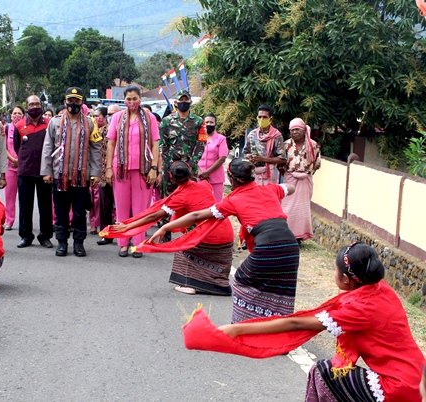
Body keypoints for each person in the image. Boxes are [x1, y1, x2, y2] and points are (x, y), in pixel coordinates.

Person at [182, 243, 425, 402]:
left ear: (347, 279)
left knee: (322, 371)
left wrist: (236, 329)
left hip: (396, 386)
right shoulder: (379, 289)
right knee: (328, 371)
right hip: (414, 375)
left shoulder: (360, 308)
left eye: (335, 270)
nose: (333, 274)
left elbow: (297, 324)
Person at [151, 159, 299, 322]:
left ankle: (244, 328)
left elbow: (196, 215)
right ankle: (276, 327)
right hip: (291, 246)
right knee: (282, 288)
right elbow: (291, 188)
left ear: (232, 178)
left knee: (242, 282)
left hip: (267, 246)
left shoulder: (232, 200)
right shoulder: (270, 189)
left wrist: (165, 227)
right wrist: (281, 191)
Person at [106, 161, 235, 295]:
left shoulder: (181, 196)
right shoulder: (204, 185)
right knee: (197, 245)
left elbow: (154, 216)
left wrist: (127, 226)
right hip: (226, 232)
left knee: (182, 249)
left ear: (171, 177)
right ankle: (220, 283)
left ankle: (191, 285)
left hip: (210, 235)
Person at [42, 87, 102, 257]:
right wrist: (46, 171)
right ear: (65, 101)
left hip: (81, 176)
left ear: (81, 102)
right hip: (59, 175)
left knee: (79, 212)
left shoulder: (90, 123)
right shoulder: (54, 122)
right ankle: (61, 243)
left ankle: (78, 243)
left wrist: (96, 172)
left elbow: (96, 149)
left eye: (77, 100)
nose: (73, 104)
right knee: (60, 211)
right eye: (70, 100)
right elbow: (47, 148)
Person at [105, 85, 160, 258]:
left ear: (140, 99)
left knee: (140, 210)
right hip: (120, 169)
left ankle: (138, 243)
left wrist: (154, 168)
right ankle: (123, 242)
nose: (131, 102)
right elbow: (111, 143)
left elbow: (155, 144)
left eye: (135, 98)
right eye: (128, 99)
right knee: (121, 208)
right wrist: (107, 168)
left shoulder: (149, 118)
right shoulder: (117, 118)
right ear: (124, 100)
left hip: (143, 170)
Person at [13, 96, 54, 248]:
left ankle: (45, 236)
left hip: (44, 172)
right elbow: (17, 147)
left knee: (45, 206)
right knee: (25, 206)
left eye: (37, 103)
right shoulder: (19, 125)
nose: (34, 106)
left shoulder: (49, 124)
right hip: (25, 171)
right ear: (27, 106)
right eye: (31, 104)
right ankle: (26, 236)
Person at [280, 117, 321, 242]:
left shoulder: (313, 145)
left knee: (302, 210)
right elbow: (281, 162)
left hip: (305, 181)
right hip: (289, 178)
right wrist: (289, 173)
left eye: (297, 129)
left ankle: (298, 238)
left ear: (304, 130)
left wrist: (306, 173)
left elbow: (317, 163)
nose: (295, 132)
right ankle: (286, 235)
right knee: (287, 208)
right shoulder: (286, 145)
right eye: (292, 130)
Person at [158, 89, 204, 198]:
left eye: (186, 100)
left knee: (189, 198)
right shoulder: (166, 121)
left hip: (189, 167)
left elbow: (201, 143)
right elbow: (162, 145)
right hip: (170, 167)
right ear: (175, 103)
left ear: (190, 102)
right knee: (169, 198)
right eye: (181, 100)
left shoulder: (199, 122)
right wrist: (166, 165)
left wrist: (192, 162)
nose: (183, 102)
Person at [243, 104, 285, 185]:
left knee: (267, 196)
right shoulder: (252, 134)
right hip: (254, 173)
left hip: (270, 174)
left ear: (270, 119)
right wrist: (249, 157)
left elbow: (282, 159)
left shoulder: (276, 135)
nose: (262, 119)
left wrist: (263, 159)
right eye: (260, 117)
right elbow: (245, 153)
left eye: (265, 117)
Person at [92, 107, 115, 246]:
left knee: (124, 209)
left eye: (114, 114)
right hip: (103, 175)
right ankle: (106, 234)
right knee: (105, 207)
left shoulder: (123, 131)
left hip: (122, 174)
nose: (112, 116)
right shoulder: (98, 132)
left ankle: (127, 237)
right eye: (110, 114)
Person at [197, 113, 229, 202]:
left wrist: (207, 172)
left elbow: (222, 158)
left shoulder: (221, 139)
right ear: (203, 124)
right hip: (199, 176)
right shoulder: (198, 138)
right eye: (207, 122)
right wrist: (200, 172)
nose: (209, 124)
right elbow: (193, 157)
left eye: (211, 122)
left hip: (215, 178)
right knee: (200, 204)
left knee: (216, 204)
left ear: (215, 124)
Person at [88, 106, 108, 235]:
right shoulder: (91, 129)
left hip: (104, 169)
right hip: (91, 167)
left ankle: (101, 223)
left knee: (99, 199)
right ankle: (93, 223)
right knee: (91, 197)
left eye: (97, 115)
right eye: (94, 116)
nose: (95, 118)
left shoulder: (109, 131)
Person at [4, 105, 24, 230]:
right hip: (10, 167)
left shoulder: (25, 128)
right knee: (9, 196)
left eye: (19, 113)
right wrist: (13, 159)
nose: (16, 115)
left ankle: (24, 222)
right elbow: (3, 148)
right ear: (10, 115)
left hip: (24, 168)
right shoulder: (6, 128)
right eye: (14, 113)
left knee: (24, 197)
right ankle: (9, 220)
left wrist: (21, 161)